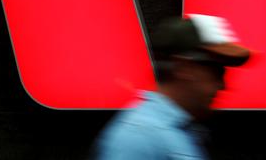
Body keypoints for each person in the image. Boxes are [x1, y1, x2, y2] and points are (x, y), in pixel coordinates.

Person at [92, 14, 251, 159]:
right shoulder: (139, 138)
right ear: (184, 68)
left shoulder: (180, 131)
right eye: (217, 71)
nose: (222, 85)